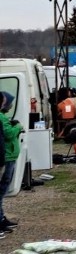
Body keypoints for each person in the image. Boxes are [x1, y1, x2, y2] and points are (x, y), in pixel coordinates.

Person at [0, 91, 23, 233]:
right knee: (2, 190)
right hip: (7, 157)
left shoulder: (3, 117)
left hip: (9, 157)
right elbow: (8, 134)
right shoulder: (1, 118)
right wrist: (18, 127)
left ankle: (2, 218)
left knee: (3, 190)